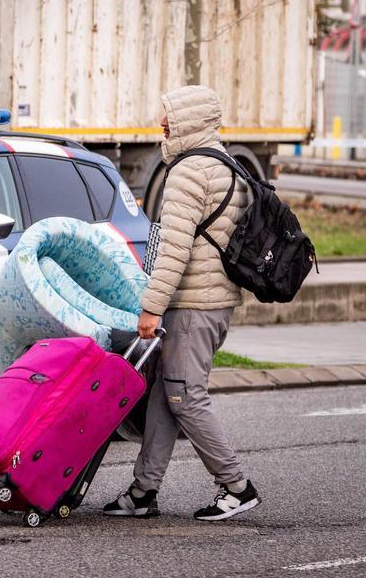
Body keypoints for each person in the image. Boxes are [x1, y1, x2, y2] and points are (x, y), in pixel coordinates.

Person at [103, 85, 260, 523]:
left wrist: (151, 308)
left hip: (194, 304)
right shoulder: (224, 165)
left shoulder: (189, 171)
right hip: (209, 301)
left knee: (185, 396)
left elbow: (175, 250)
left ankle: (236, 486)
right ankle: (142, 491)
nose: (162, 124)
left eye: (168, 117)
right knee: (165, 395)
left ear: (187, 121)